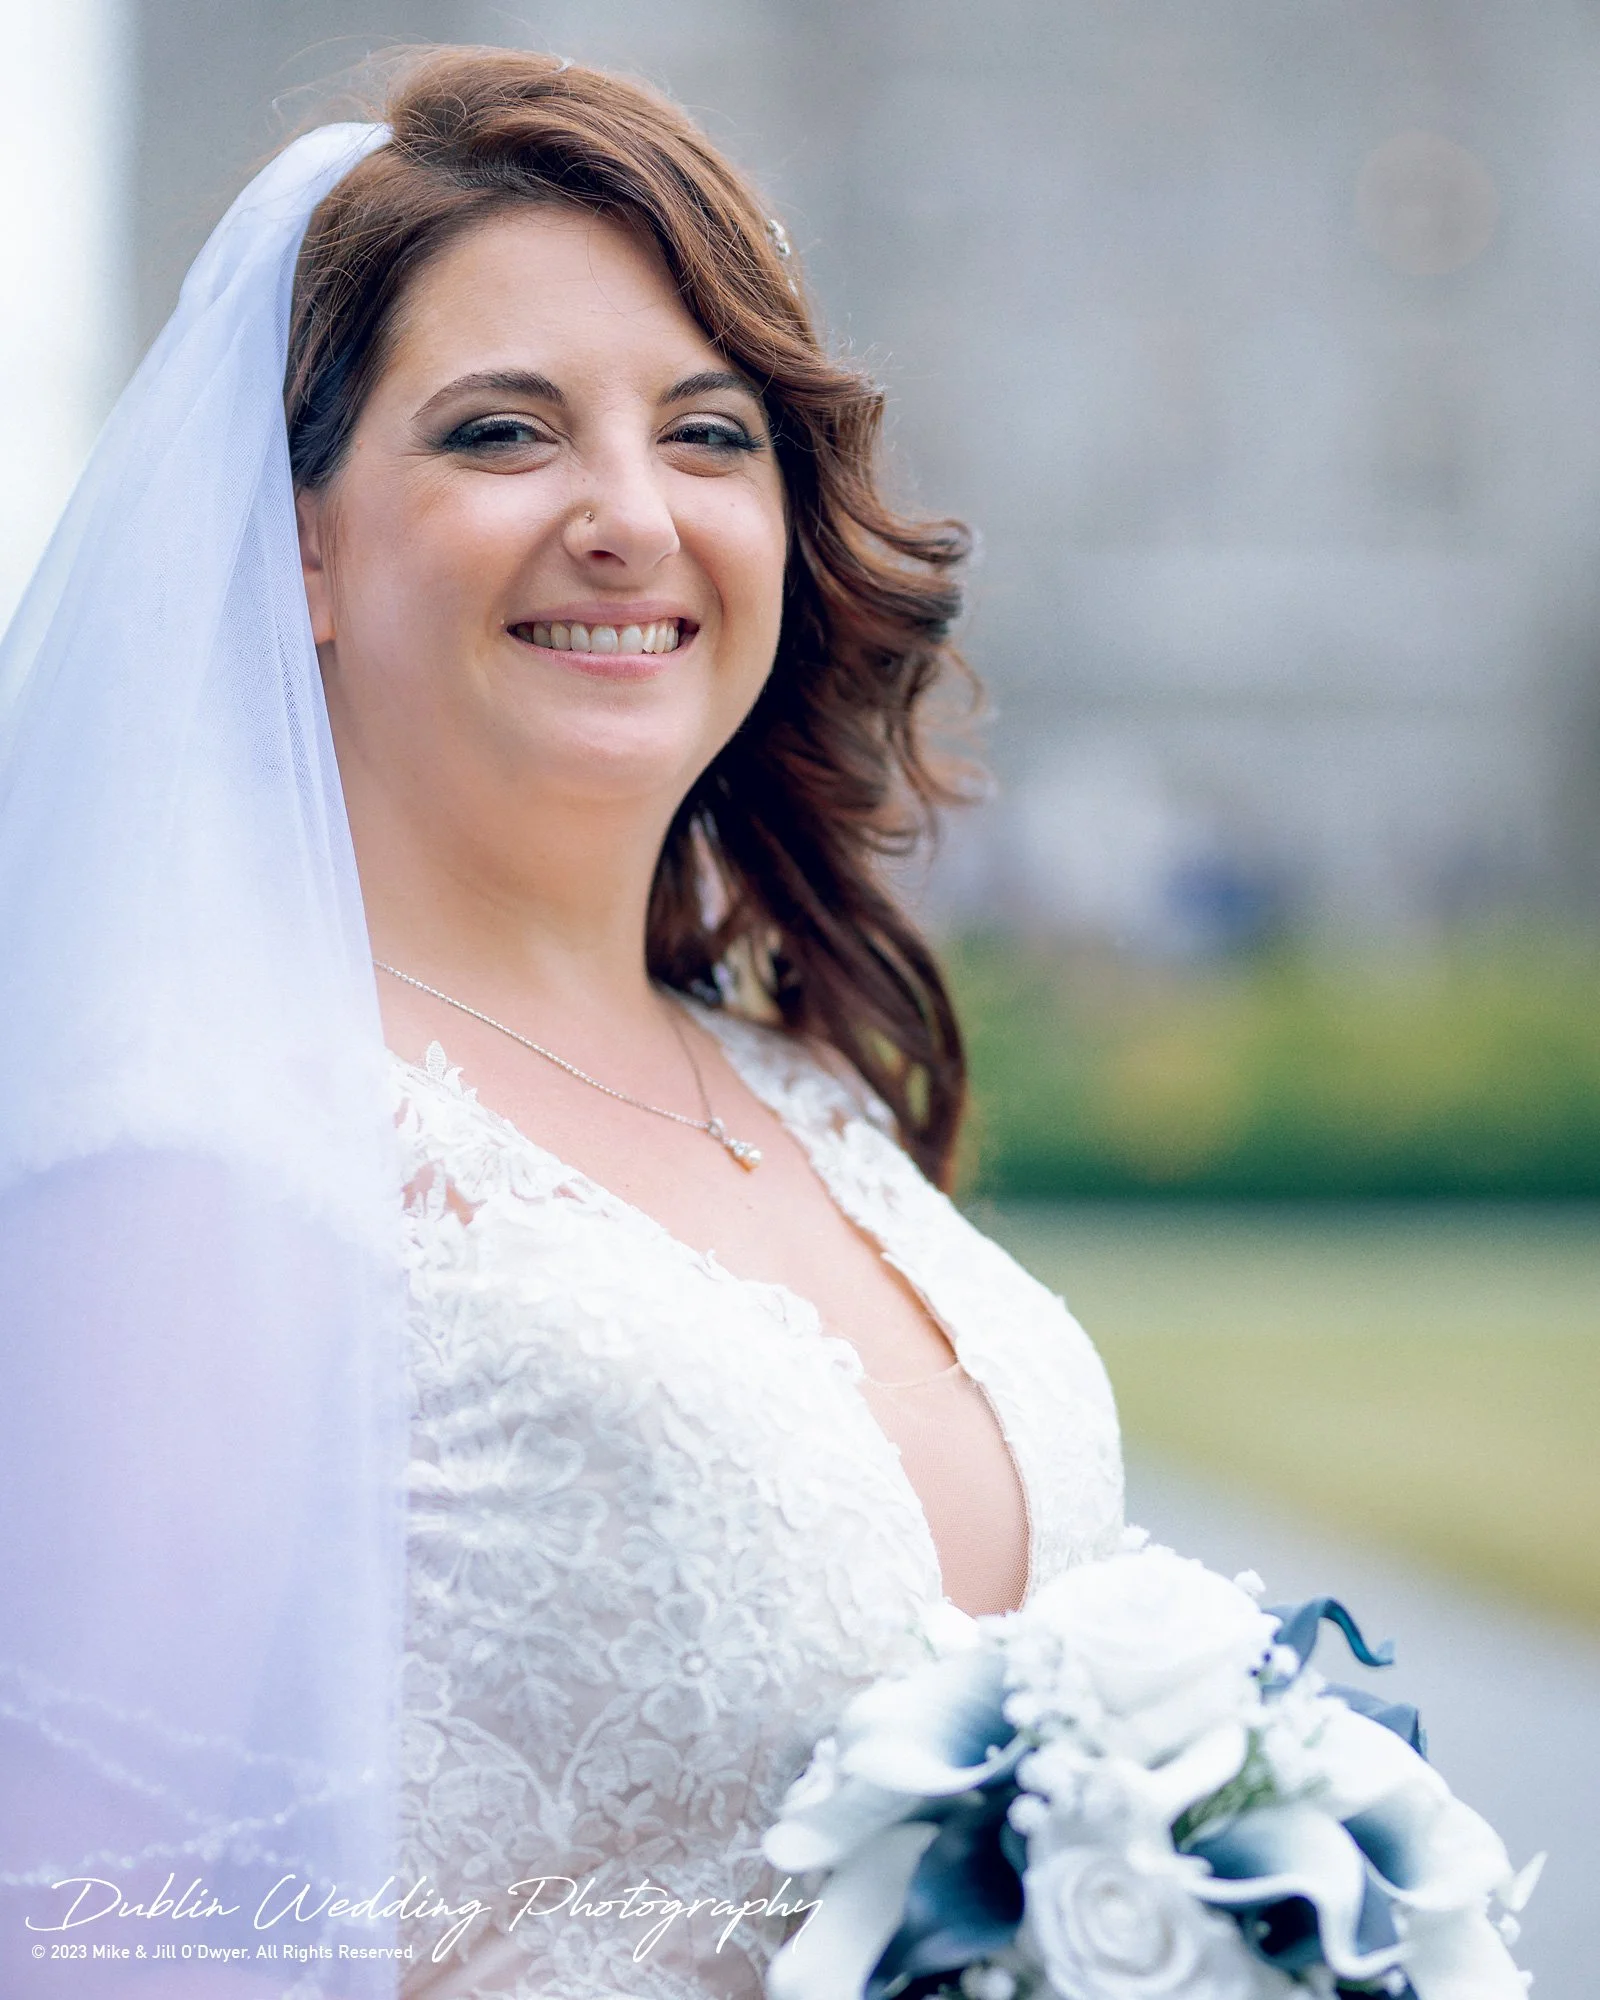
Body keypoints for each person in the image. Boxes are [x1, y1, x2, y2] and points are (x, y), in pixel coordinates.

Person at [0, 47, 1122, 2000]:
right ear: (306, 545)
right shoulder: (187, 1167)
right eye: (503, 433)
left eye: (705, 434)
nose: (625, 515)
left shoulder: (802, 1082)